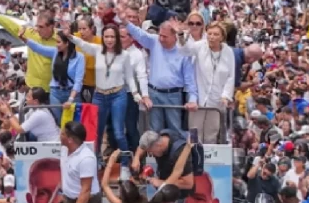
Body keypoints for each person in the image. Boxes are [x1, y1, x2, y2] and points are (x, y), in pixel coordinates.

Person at [65, 23, 137, 165]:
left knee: (118, 132)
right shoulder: (97, 50)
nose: (109, 40)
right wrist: (69, 36)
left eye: (112, 36)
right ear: (102, 37)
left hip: (118, 95)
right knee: (96, 132)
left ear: (117, 38)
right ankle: (97, 161)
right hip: (99, 95)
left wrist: (136, 94)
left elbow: (129, 77)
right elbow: (82, 43)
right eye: (106, 36)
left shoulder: (125, 55)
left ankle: (125, 164)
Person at [122, 18, 198, 133]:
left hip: (173, 95)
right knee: (154, 131)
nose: (161, 39)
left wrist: (193, 99)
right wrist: (125, 21)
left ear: (174, 37)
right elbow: (139, 34)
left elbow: (190, 79)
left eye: (165, 37)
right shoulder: (154, 41)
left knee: (175, 130)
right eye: (160, 35)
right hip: (154, 94)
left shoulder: (183, 51)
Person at [174, 19, 236, 143]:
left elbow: (230, 76)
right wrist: (181, 35)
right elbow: (184, 50)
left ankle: (207, 160)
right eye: (210, 33)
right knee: (194, 134)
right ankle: (194, 159)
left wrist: (226, 96)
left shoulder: (228, 52)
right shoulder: (200, 46)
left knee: (211, 134)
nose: (212, 37)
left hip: (217, 101)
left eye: (216, 34)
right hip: (199, 100)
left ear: (222, 37)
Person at [20, 28, 85, 123]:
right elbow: (38, 48)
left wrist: (71, 99)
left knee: (74, 123)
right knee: (58, 121)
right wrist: (23, 38)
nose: (56, 45)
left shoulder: (79, 57)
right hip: (56, 93)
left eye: (59, 42)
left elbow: (78, 81)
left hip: (73, 94)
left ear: (67, 43)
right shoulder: (55, 52)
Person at [0, 12, 57, 91]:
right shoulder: (31, 33)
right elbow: (11, 25)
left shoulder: (60, 39)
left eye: (41, 27)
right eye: (37, 26)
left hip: (53, 89)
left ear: (51, 27)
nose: (37, 29)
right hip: (32, 86)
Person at [133, 130, 194, 200]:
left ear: (158, 145)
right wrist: (136, 157)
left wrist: (161, 183)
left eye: (151, 152)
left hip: (179, 197)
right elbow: (142, 146)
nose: (150, 154)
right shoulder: (159, 136)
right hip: (165, 186)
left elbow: (188, 184)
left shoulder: (180, 153)